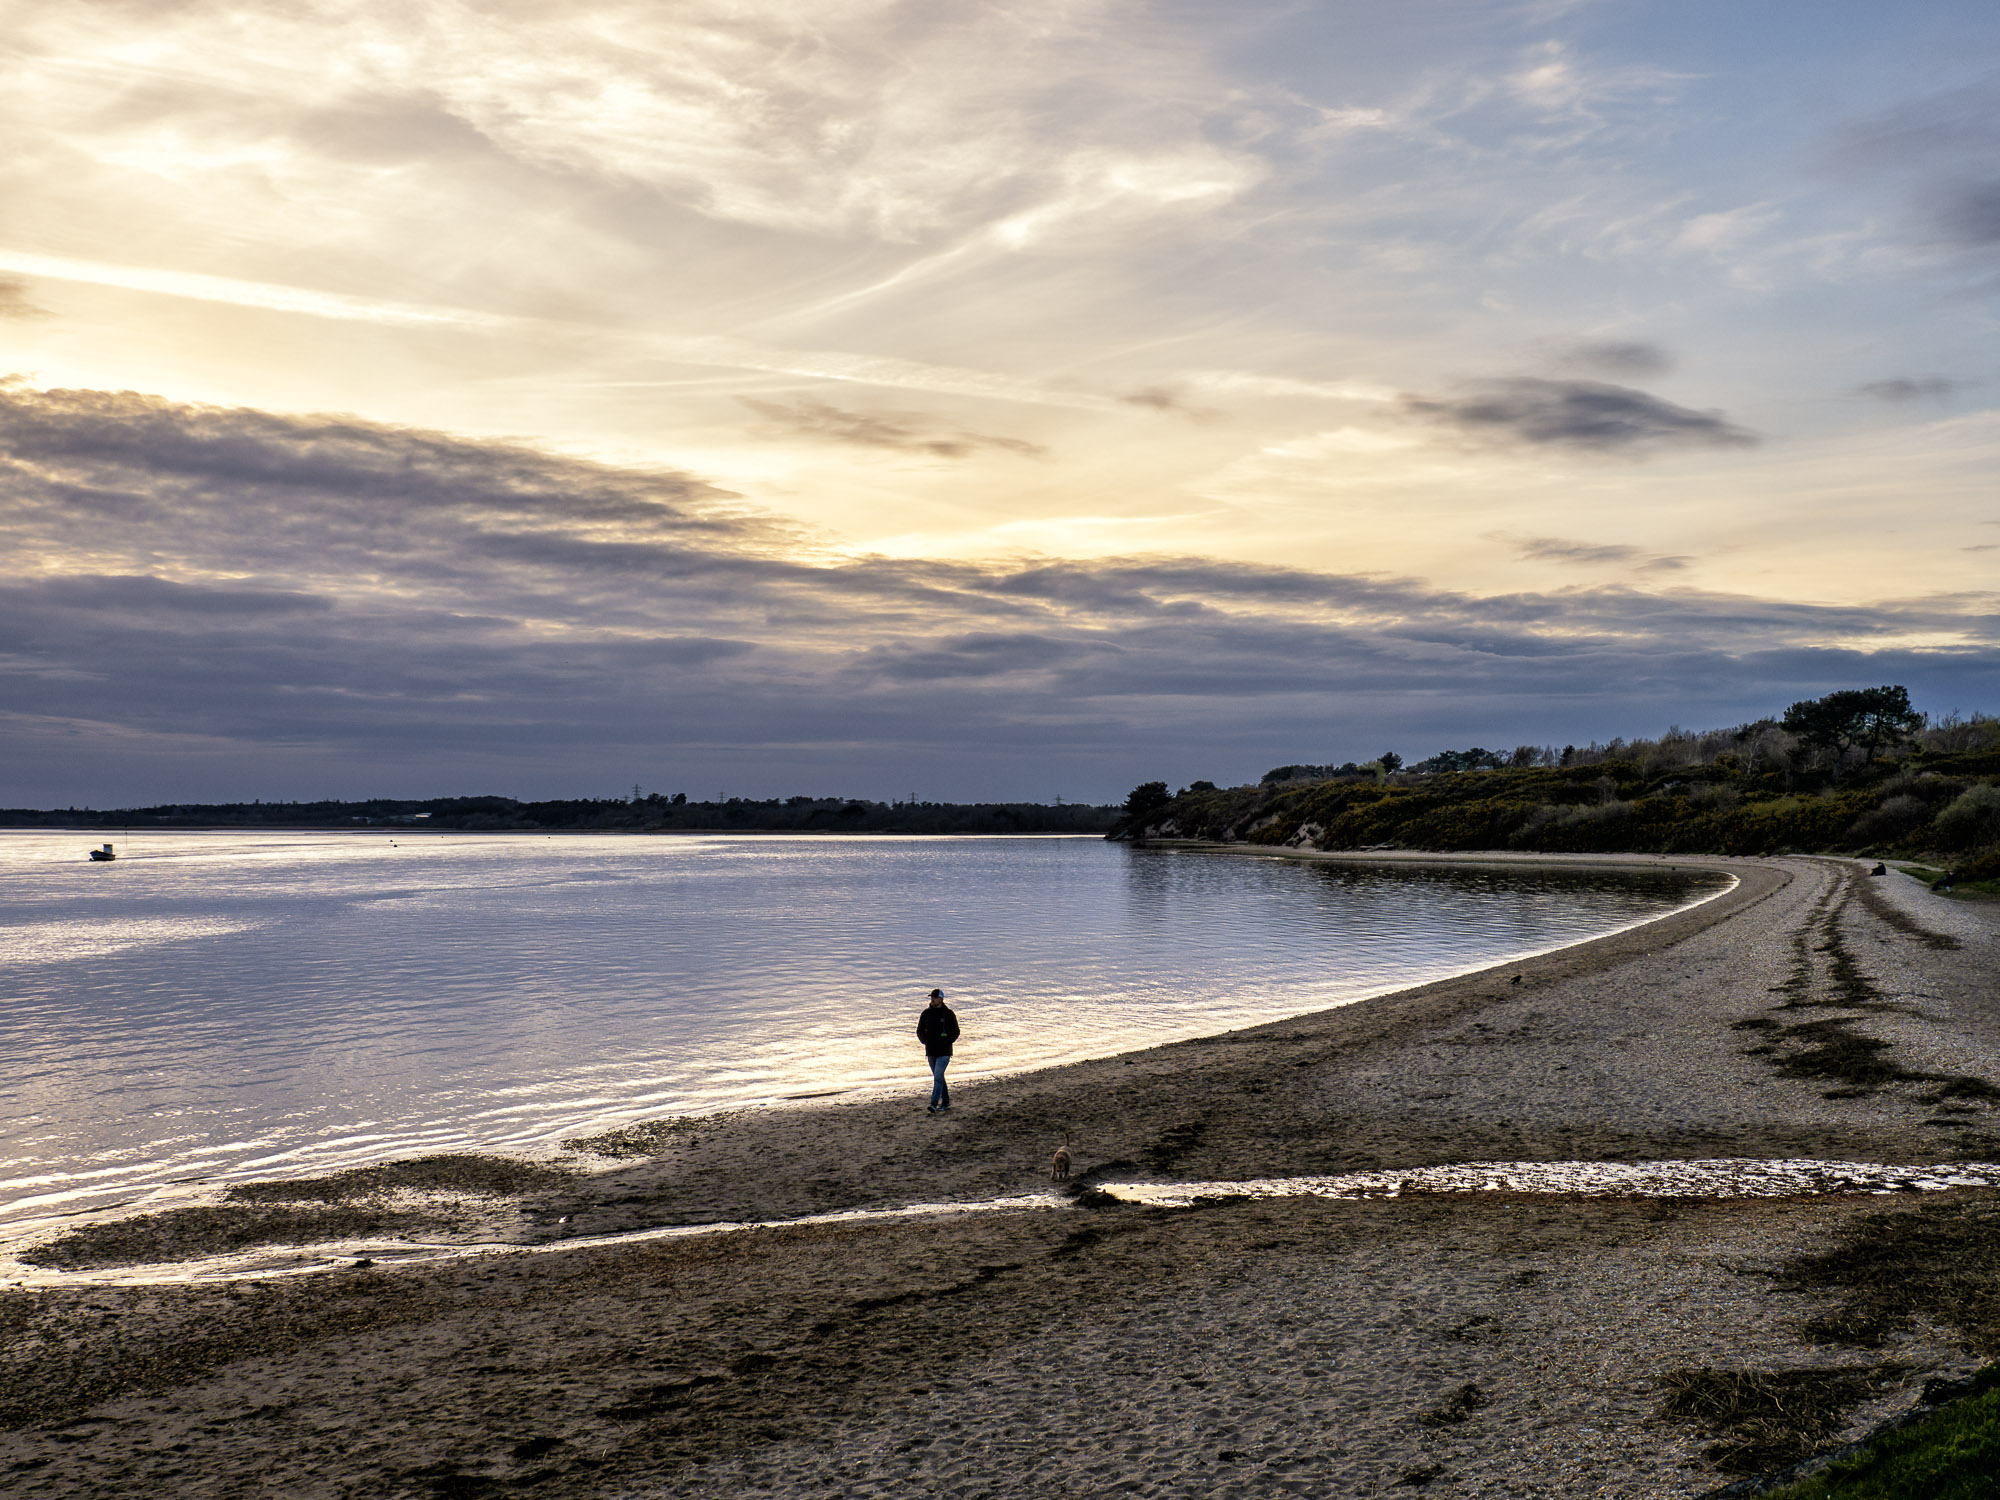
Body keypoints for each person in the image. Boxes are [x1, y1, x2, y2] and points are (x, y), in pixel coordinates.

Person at [917, 987, 959, 1114]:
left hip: (945, 1052)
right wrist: (925, 1040)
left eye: (935, 998)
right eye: (932, 998)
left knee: (938, 1076)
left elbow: (956, 1031)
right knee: (939, 1077)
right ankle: (946, 1102)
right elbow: (919, 1030)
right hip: (931, 1051)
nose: (933, 1000)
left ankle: (933, 1103)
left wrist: (948, 1040)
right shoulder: (926, 1014)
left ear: (941, 999)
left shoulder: (948, 1014)